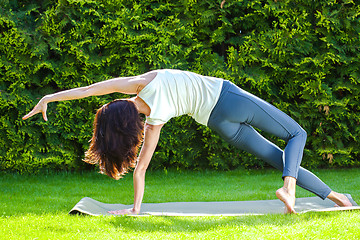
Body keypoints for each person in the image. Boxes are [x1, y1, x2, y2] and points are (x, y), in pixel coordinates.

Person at [23, 69, 352, 214]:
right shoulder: (143, 83)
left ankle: (334, 196)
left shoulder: (154, 122)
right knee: (297, 134)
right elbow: (92, 89)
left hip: (217, 123)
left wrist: (136, 209)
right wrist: (48, 98)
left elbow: (141, 170)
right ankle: (289, 187)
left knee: (278, 157)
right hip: (228, 99)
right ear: (118, 107)